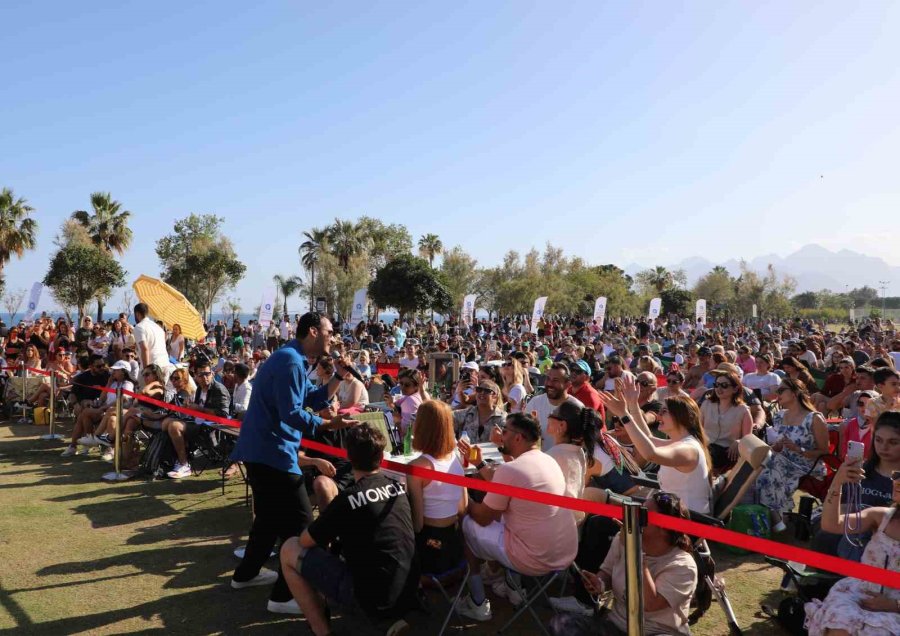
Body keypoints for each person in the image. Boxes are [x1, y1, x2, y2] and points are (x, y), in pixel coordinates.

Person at [229, 312, 358, 616]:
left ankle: (245, 575)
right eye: (330, 330)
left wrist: (339, 377)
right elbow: (292, 414)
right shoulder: (289, 360)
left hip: (264, 452)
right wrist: (328, 425)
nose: (333, 336)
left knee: (267, 521)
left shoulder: (292, 359)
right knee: (304, 527)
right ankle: (285, 595)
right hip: (273, 454)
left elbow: (308, 398)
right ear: (313, 331)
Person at [279, 424, 418, 636]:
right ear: (381, 457)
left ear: (349, 459)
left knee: (289, 548)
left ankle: (322, 631)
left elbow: (306, 541)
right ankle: (389, 616)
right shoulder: (398, 487)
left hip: (371, 595)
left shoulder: (347, 499)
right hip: (410, 588)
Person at [456, 412, 578, 622]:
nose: (500, 435)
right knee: (508, 516)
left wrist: (462, 498)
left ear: (518, 438)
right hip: (565, 554)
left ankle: (477, 603)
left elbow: (483, 517)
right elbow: (508, 480)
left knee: (467, 523)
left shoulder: (512, 470)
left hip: (534, 558)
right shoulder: (548, 459)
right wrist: (480, 465)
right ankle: (510, 585)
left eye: (504, 431)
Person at [803, 453, 900, 635]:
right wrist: (838, 482)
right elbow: (831, 524)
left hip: (894, 606)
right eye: (896, 475)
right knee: (840, 623)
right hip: (859, 591)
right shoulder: (881, 517)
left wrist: (893, 605)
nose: (897, 481)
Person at [580, 492, 699, 635]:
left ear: (664, 528)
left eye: (643, 514)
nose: (635, 517)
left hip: (656, 632)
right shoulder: (622, 539)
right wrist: (599, 583)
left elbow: (649, 604)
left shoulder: (683, 566)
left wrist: (635, 551)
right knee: (561, 624)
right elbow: (607, 572)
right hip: (617, 626)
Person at [600, 379, 712, 513]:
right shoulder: (684, 442)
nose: (659, 415)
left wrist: (623, 414)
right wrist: (632, 405)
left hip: (685, 522)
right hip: (670, 511)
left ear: (681, 417)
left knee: (596, 497)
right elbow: (648, 439)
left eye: (664, 411)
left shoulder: (689, 449)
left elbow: (650, 454)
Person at [755, 378, 830, 533]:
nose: (777, 393)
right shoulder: (779, 416)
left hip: (807, 464)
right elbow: (776, 444)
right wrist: (776, 446)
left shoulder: (814, 418)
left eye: (781, 390)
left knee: (768, 467)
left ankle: (776, 517)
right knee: (762, 467)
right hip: (781, 461)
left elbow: (825, 451)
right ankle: (775, 517)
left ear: (795, 393)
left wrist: (799, 449)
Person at [407, 401, 468, 574]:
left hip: (431, 550)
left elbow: (417, 525)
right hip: (455, 546)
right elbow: (463, 509)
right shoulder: (455, 460)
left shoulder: (417, 467)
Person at [162, 360, 231, 479]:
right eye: (201, 375)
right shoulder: (199, 389)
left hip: (211, 427)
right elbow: (197, 410)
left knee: (174, 426)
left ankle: (184, 464)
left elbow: (223, 415)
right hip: (198, 422)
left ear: (212, 374)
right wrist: (189, 407)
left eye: (207, 374)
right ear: (196, 377)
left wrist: (199, 408)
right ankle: (172, 459)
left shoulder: (219, 389)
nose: (205, 377)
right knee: (166, 423)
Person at [546, 401, 598, 525]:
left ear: (562, 425)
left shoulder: (552, 456)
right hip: (572, 524)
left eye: (553, 413)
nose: (548, 416)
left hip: (555, 525)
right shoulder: (578, 452)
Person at [699, 368, 753, 472]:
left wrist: (738, 441)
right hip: (706, 445)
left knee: (712, 455)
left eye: (724, 385)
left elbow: (748, 438)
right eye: (717, 385)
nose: (719, 388)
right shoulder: (707, 404)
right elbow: (698, 428)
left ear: (735, 389)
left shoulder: (743, 410)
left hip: (726, 450)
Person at [523, 363, 584, 451]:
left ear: (568, 384)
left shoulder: (577, 408)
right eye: (548, 378)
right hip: (539, 459)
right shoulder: (535, 402)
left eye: (555, 380)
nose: (550, 383)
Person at [133, 303, 173, 385]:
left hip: (152, 367)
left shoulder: (139, 327)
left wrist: (146, 372)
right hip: (165, 364)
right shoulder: (158, 327)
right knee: (160, 395)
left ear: (137, 314)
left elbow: (145, 349)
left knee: (142, 395)